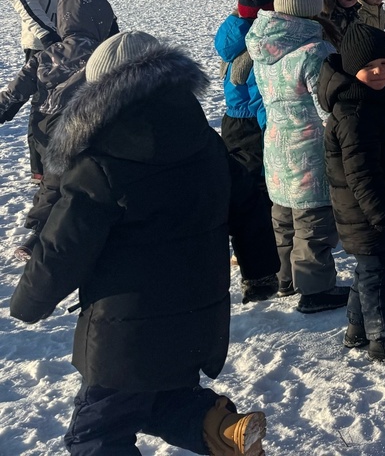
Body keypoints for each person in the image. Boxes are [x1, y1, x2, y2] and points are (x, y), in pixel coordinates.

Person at [10, 32, 267, 456]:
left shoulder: (100, 163)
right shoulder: (205, 143)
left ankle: (217, 427)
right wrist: (260, 268)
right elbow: (249, 203)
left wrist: (29, 303)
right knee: (162, 400)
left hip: (123, 332)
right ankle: (221, 428)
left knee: (95, 435)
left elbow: (64, 246)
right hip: (197, 318)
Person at [318, 23, 385, 363]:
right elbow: (361, 175)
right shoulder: (354, 113)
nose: (380, 71)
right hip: (369, 214)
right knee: (378, 277)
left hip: (380, 210)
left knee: (370, 272)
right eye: (369, 67)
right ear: (353, 69)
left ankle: (358, 328)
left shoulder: (376, 99)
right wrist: (383, 217)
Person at [246, 0, 349, 313]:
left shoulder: (262, 44)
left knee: (284, 219)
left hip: (275, 145)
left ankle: (286, 279)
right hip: (308, 149)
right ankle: (315, 289)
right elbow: (329, 107)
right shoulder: (314, 51)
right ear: (312, 6)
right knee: (313, 223)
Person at [0, 0, 117, 260]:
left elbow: (15, 93)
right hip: (85, 127)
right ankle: (61, 233)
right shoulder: (104, 55)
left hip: (46, 129)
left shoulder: (43, 56)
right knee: (85, 180)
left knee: (53, 183)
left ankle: (38, 231)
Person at [214, 0, 288, 302]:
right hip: (254, 125)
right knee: (260, 197)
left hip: (234, 123)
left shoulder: (236, 30)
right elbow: (261, 93)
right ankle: (261, 274)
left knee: (248, 197)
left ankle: (259, 266)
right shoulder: (260, 42)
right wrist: (272, 129)